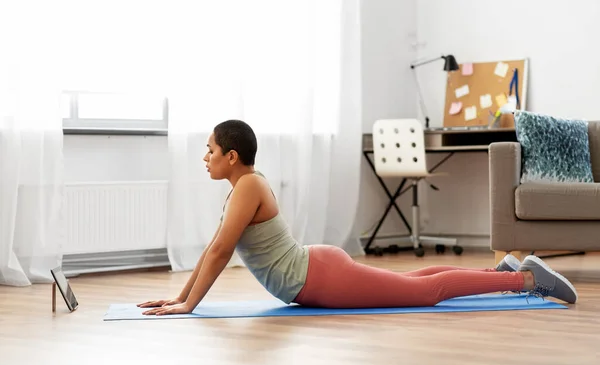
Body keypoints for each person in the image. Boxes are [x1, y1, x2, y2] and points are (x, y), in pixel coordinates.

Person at [137, 120, 578, 316]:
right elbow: (214, 249)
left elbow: (219, 250)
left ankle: (525, 280)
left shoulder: (248, 185)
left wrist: (189, 304)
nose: (205, 158)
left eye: (210, 151)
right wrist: (179, 297)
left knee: (427, 292)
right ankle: (497, 270)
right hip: (318, 271)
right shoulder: (241, 189)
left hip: (320, 278)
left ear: (232, 156)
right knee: (418, 280)